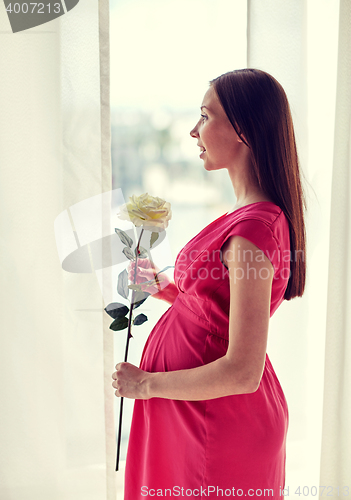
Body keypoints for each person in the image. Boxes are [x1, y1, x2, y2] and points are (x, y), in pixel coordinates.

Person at [112, 68, 306, 499]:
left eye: (204, 116)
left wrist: (146, 384)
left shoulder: (255, 227)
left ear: (243, 128)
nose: (192, 130)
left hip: (214, 424)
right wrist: (162, 286)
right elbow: (215, 312)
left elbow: (243, 371)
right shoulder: (246, 216)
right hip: (194, 414)